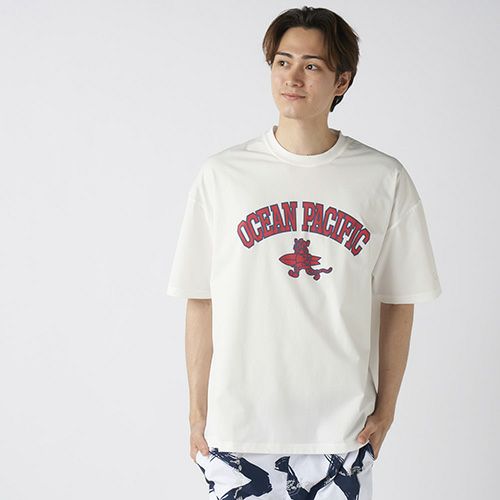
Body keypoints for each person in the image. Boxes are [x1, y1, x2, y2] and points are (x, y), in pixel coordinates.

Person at [166, 6, 441, 499]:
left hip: (342, 432)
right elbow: (200, 298)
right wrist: (197, 413)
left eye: (311, 65)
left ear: (342, 81)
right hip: (238, 433)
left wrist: (387, 410)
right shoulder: (223, 175)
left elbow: (400, 301)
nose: (292, 78)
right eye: (282, 62)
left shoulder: (383, 178)